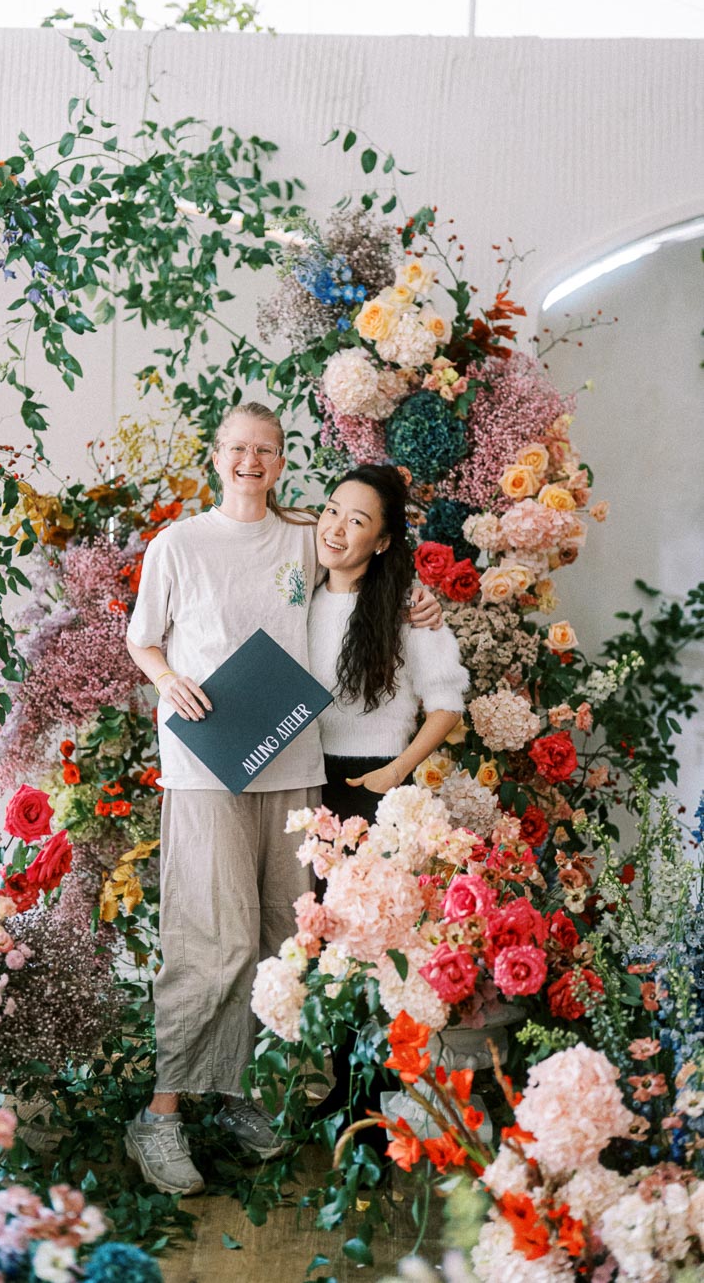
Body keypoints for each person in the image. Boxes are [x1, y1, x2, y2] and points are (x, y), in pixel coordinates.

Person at [123, 403, 442, 1196]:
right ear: (217, 454)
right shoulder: (179, 544)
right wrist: (166, 679)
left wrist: (423, 600)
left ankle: (238, 1096)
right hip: (206, 764)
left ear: (281, 458)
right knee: (210, 939)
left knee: (278, 942)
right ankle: (159, 1116)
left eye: (266, 450)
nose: (251, 462)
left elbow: (368, 559)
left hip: (293, 766)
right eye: (238, 448)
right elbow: (142, 637)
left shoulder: (307, 532)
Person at [307, 462, 468, 1129]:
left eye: (359, 520)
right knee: (321, 946)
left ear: (381, 541)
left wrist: (394, 773)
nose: (338, 527)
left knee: (375, 949)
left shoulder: (406, 605)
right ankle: (340, 1092)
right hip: (308, 785)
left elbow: (447, 707)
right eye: (333, 509)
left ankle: (366, 1106)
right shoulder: (298, 593)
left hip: (376, 789)